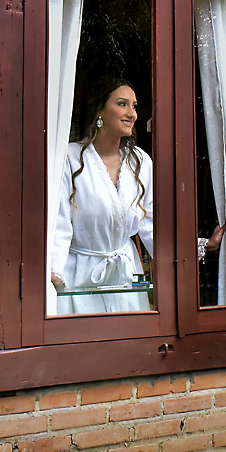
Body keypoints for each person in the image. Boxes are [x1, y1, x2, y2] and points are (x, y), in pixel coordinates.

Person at [49, 79, 154, 315]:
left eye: (134, 106)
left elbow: (151, 222)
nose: (132, 113)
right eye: (122, 104)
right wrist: (54, 270)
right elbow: (60, 221)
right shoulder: (70, 158)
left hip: (126, 274)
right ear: (100, 111)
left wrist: (186, 255)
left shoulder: (140, 162)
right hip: (80, 275)